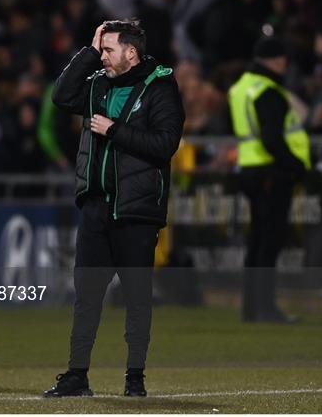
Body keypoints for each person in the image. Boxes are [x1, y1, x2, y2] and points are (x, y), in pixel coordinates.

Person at [43, 20, 184, 397]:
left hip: (136, 210)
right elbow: (60, 96)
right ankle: (77, 375)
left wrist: (115, 130)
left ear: (131, 53)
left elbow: (165, 143)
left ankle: (134, 378)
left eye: (108, 50)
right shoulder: (97, 85)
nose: (102, 56)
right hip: (96, 206)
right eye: (100, 50)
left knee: (137, 297)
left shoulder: (160, 88)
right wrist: (89, 50)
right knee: (87, 296)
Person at [228, 37, 311, 323]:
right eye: (282, 58)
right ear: (276, 60)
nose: (285, 64)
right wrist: (297, 165)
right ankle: (266, 308)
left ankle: (251, 308)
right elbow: (272, 138)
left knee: (257, 241)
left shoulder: (242, 87)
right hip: (271, 172)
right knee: (269, 243)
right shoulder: (268, 90)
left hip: (249, 169)